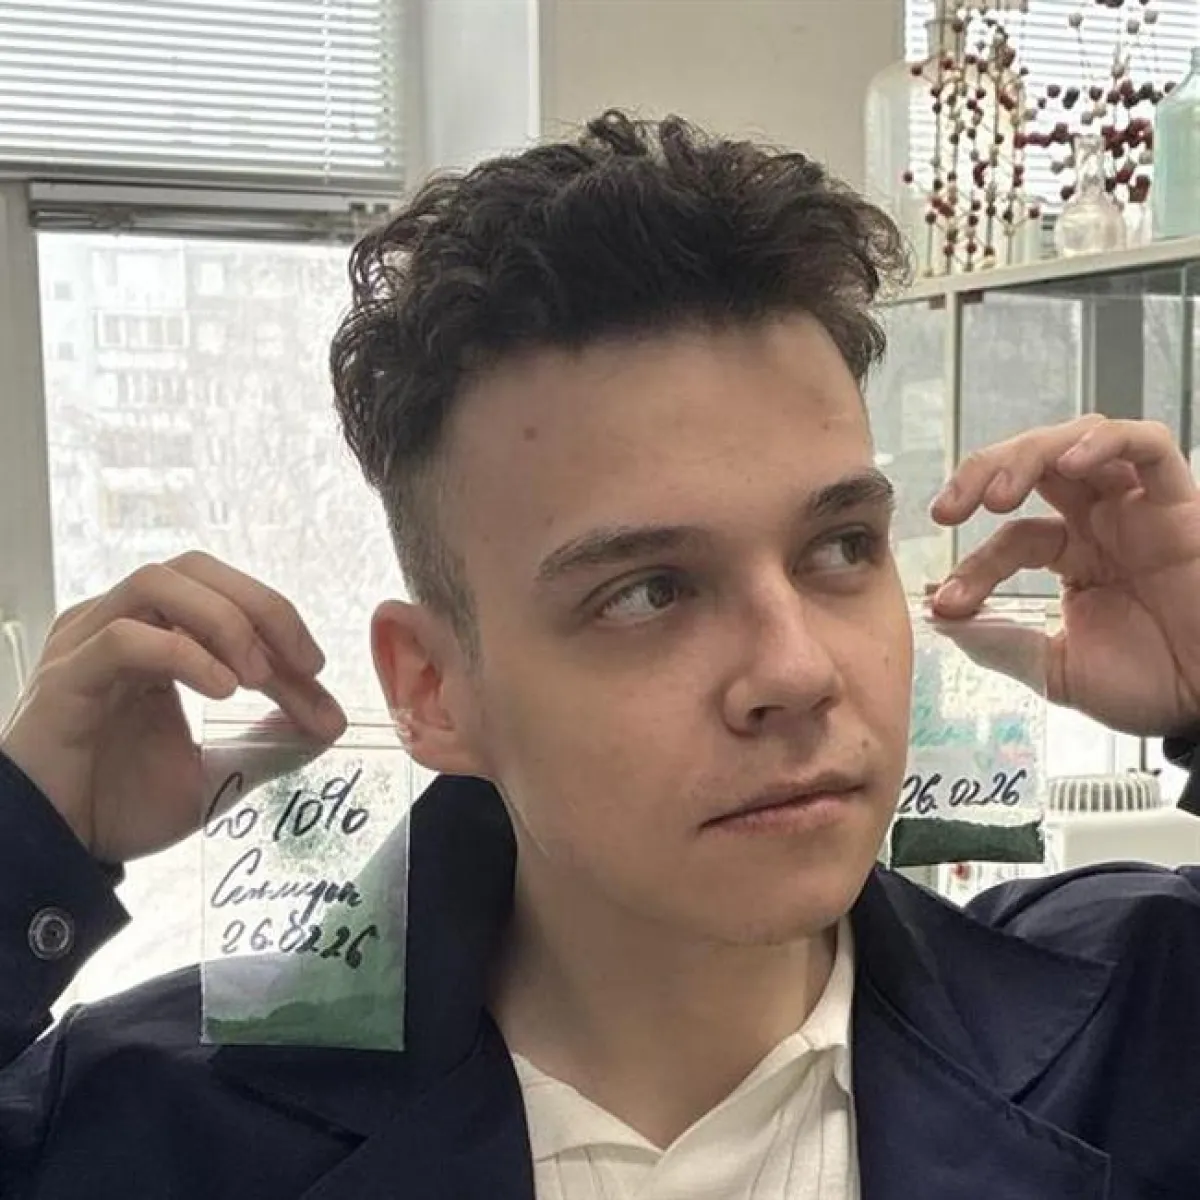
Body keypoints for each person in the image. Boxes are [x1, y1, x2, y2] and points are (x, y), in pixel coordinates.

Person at [2, 111, 1199, 1200]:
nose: (796, 672)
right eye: (648, 592)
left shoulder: (1139, 1023)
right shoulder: (160, 1129)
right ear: (433, 689)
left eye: (840, 547)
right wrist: (23, 844)